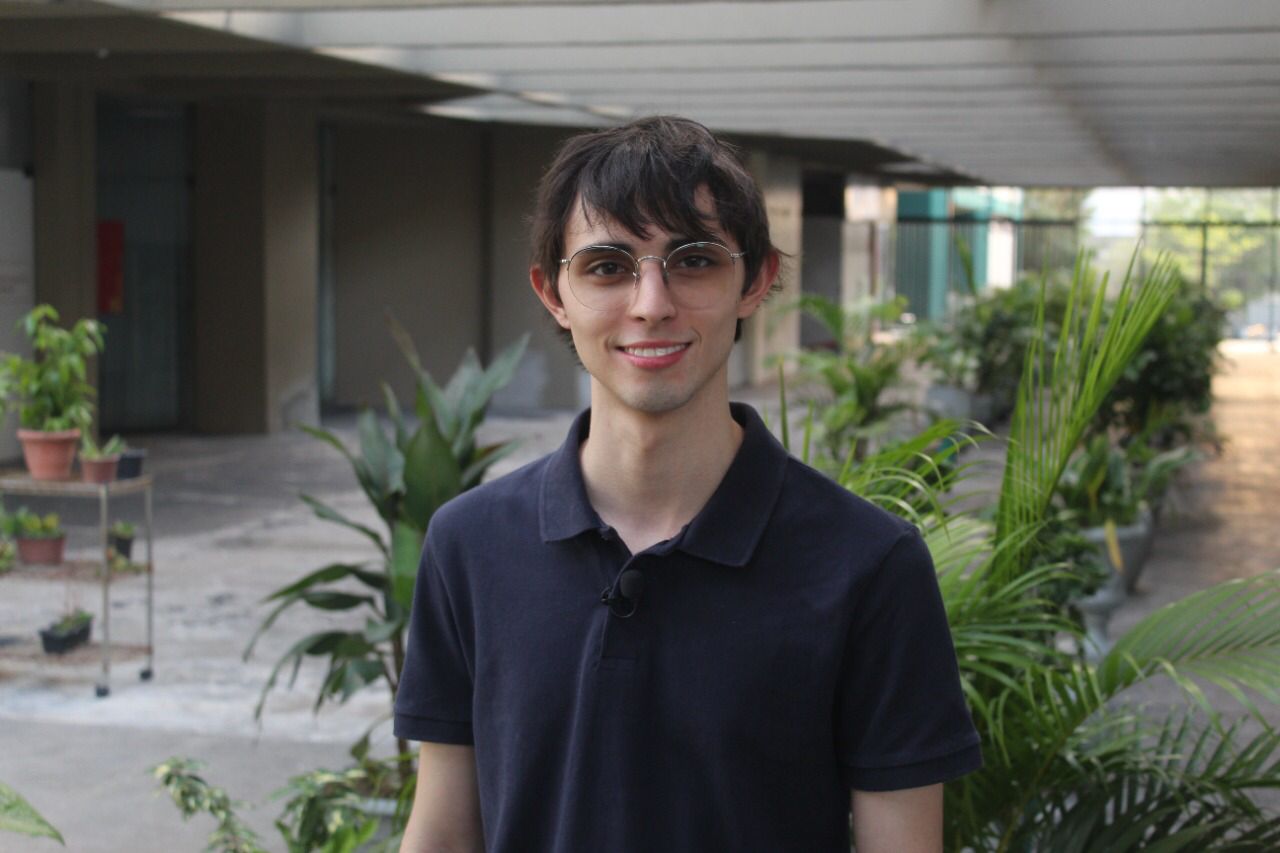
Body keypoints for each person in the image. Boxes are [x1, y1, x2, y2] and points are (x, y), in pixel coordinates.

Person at [394, 116, 980, 853]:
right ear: (553, 292)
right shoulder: (469, 544)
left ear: (755, 280)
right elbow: (443, 835)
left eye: (693, 260)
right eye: (607, 266)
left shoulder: (870, 564)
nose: (651, 303)